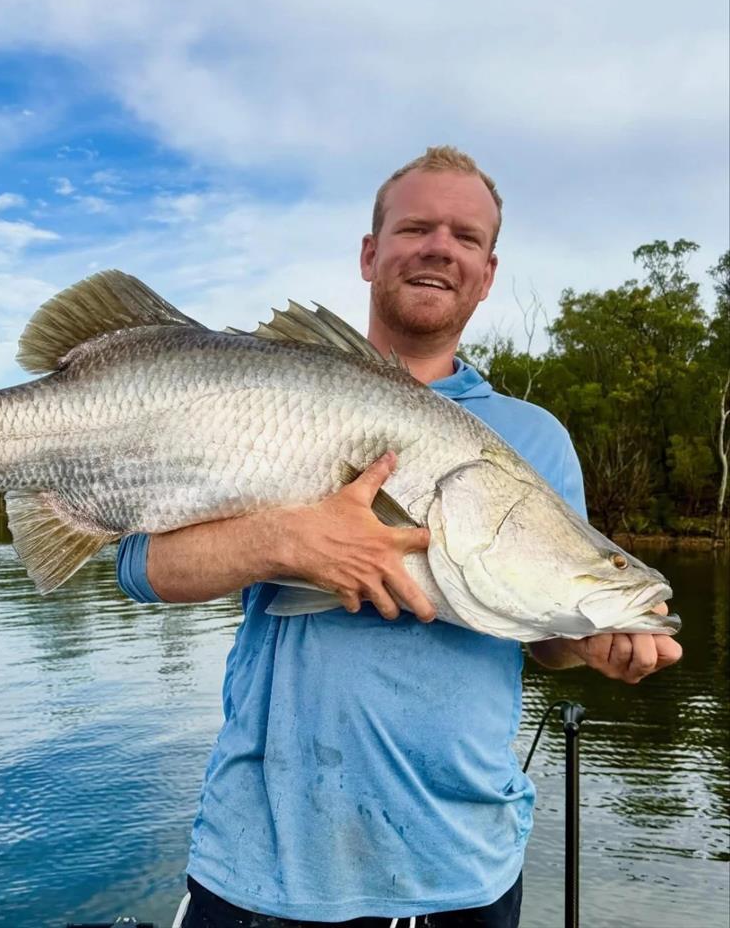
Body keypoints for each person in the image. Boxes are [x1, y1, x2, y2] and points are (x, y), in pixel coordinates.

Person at [116, 147, 682, 927]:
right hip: (262, 867)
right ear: (369, 253)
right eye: (415, 226)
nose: (439, 247)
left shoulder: (534, 439)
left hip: (462, 870)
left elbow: (534, 626)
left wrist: (584, 637)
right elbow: (139, 566)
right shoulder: (255, 395)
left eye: (466, 237)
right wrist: (288, 541)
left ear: (486, 273)